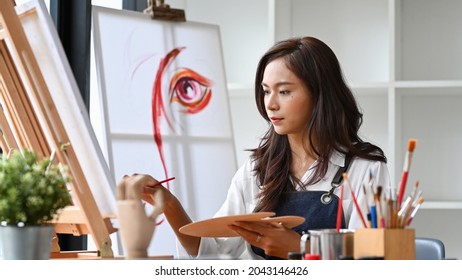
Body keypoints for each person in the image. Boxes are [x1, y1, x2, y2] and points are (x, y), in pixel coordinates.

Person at [119, 36, 390, 260]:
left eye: (284, 91)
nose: (270, 104)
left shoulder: (365, 169)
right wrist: (169, 205)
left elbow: (371, 264)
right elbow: (214, 254)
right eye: (265, 90)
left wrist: (301, 250)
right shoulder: (255, 170)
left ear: (320, 95)